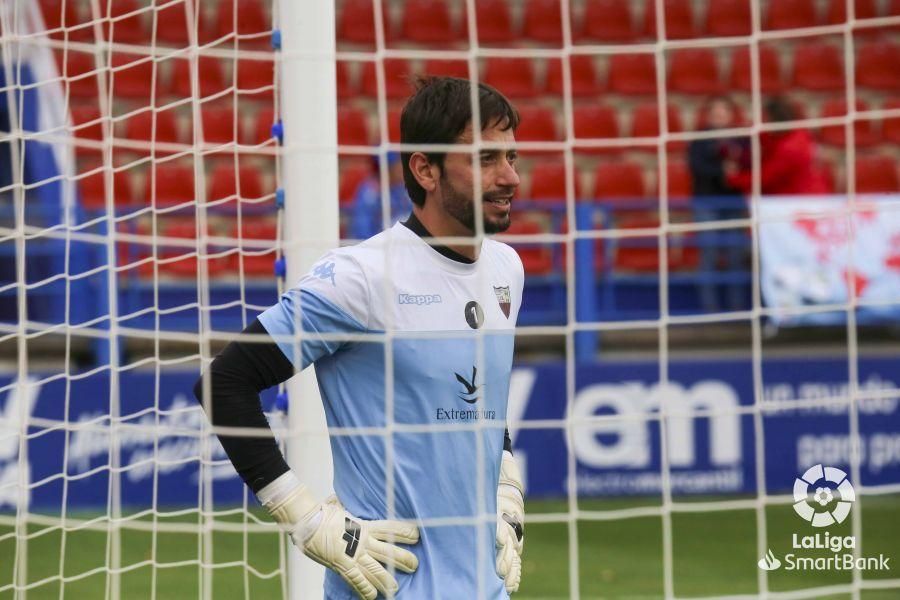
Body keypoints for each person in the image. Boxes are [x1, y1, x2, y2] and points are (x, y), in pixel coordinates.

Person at [194, 76, 526, 599]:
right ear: (425, 169)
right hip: (385, 588)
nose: (509, 176)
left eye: (511, 156)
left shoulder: (507, 269)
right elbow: (224, 383)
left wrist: (505, 478)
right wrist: (305, 518)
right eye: (486, 159)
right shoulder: (362, 277)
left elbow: (477, 388)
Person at [687, 95, 749, 312]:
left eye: (723, 112)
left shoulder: (741, 139)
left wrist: (736, 172)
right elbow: (697, 168)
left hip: (732, 203)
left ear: (730, 115)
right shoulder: (699, 140)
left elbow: (749, 164)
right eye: (715, 113)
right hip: (707, 203)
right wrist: (722, 171)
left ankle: (738, 309)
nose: (719, 117)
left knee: (735, 256)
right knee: (709, 255)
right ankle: (710, 310)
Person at [725, 96, 831, 196]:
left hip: (799, 201)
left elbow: (765, 178)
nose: (761, 123)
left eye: (764, 119)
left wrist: (732, 178)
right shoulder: (797, 134)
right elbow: (763, 137)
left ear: (774, 119)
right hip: (806, 194)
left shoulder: (791, 148)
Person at [350, 151, 411, 240]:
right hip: (376, 246)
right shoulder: (368, 192)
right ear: (387, 168)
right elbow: (362, 230)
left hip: (404, 244)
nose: (401, 168)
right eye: (397, 165)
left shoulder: (403, 189)